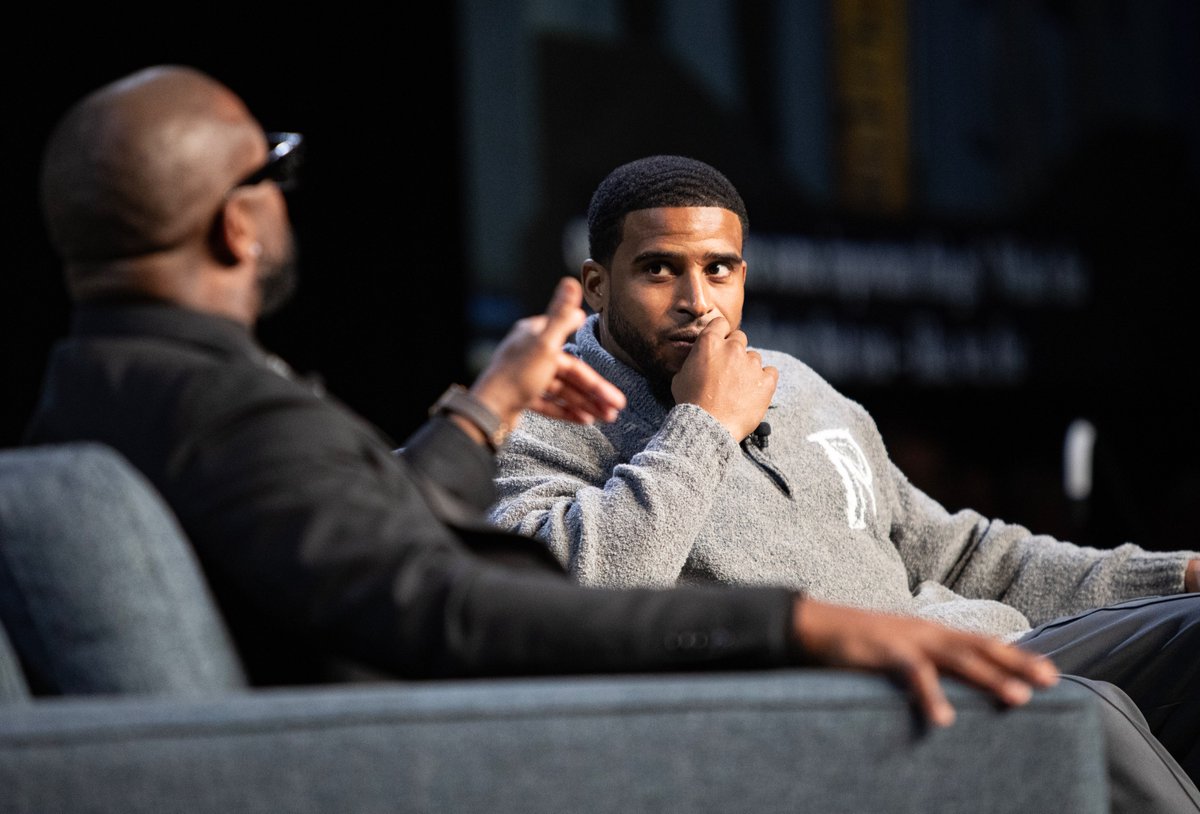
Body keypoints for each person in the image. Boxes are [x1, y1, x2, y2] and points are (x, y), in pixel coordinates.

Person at [20, 65, 1063, 737]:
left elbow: (357, 550)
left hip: (435, 730)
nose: (697, 297)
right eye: (273, 166)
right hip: (485, 749)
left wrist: (478, 412)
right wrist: (796, 627)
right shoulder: (235, 413)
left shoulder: (93, 392)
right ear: (236, 231)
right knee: (1082, 715)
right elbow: (447, 609)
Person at [489, 154, 1200, 809]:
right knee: (1082, 712)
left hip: (967, 645)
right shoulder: (540, 415)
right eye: (658, 270)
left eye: (719, 269)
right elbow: (572, 601)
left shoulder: (797, 385)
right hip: (829, 707)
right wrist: (704, 426)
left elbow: (962, 555)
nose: (695, 300)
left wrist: (1177, 575)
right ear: (596, 284)